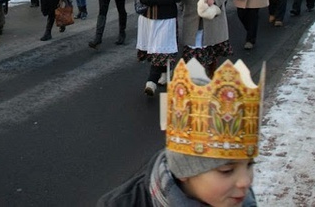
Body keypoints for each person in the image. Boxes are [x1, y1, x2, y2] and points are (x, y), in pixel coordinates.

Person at [97, 58, 261, 207]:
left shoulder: (241, 200)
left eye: (249, 165)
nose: (245, 182)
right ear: (183, 169)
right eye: (227, 170)